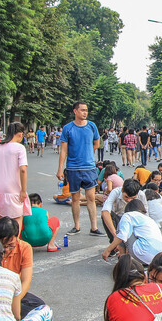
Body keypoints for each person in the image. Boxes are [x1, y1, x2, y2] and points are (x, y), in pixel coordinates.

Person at [56, 101, 103, 237]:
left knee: (91, 198)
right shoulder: (68, 128)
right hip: (73, 168)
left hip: (89, 167)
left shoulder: (92, 126)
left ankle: (94, 228)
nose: (85, 112)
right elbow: (63, 150)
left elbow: (97, 143)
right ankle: (76, 226)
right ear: (75, 111)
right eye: (82, 110)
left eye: (86, 110)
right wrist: (60, 169)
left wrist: (88, 152)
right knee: (75, 198)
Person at [0, 122, 31, 235]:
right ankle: (14, 246)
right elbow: (23, 170)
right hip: (14, 189)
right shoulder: (19, 148)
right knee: (17, 218)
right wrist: (23, 190)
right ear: (20, 134)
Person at [102, 199, 162, 267]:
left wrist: (108, 250)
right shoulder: (149, 219)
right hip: (158, 258)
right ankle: (125, 257)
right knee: (128, 230)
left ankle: (123, 261)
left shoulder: (128, 215)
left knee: (122, 229)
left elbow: (122, 235)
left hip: (143, 254)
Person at [101, 178, 148, 245]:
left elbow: (145, 216)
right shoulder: (115, 192)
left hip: (133, 221)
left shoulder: (141, 195)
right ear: (122, 190)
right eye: (126, 197)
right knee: (106, 215)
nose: (129, 200)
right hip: (119, 220)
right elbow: (105, 212)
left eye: (133, 198)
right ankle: (114, 244)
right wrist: (116, 237)